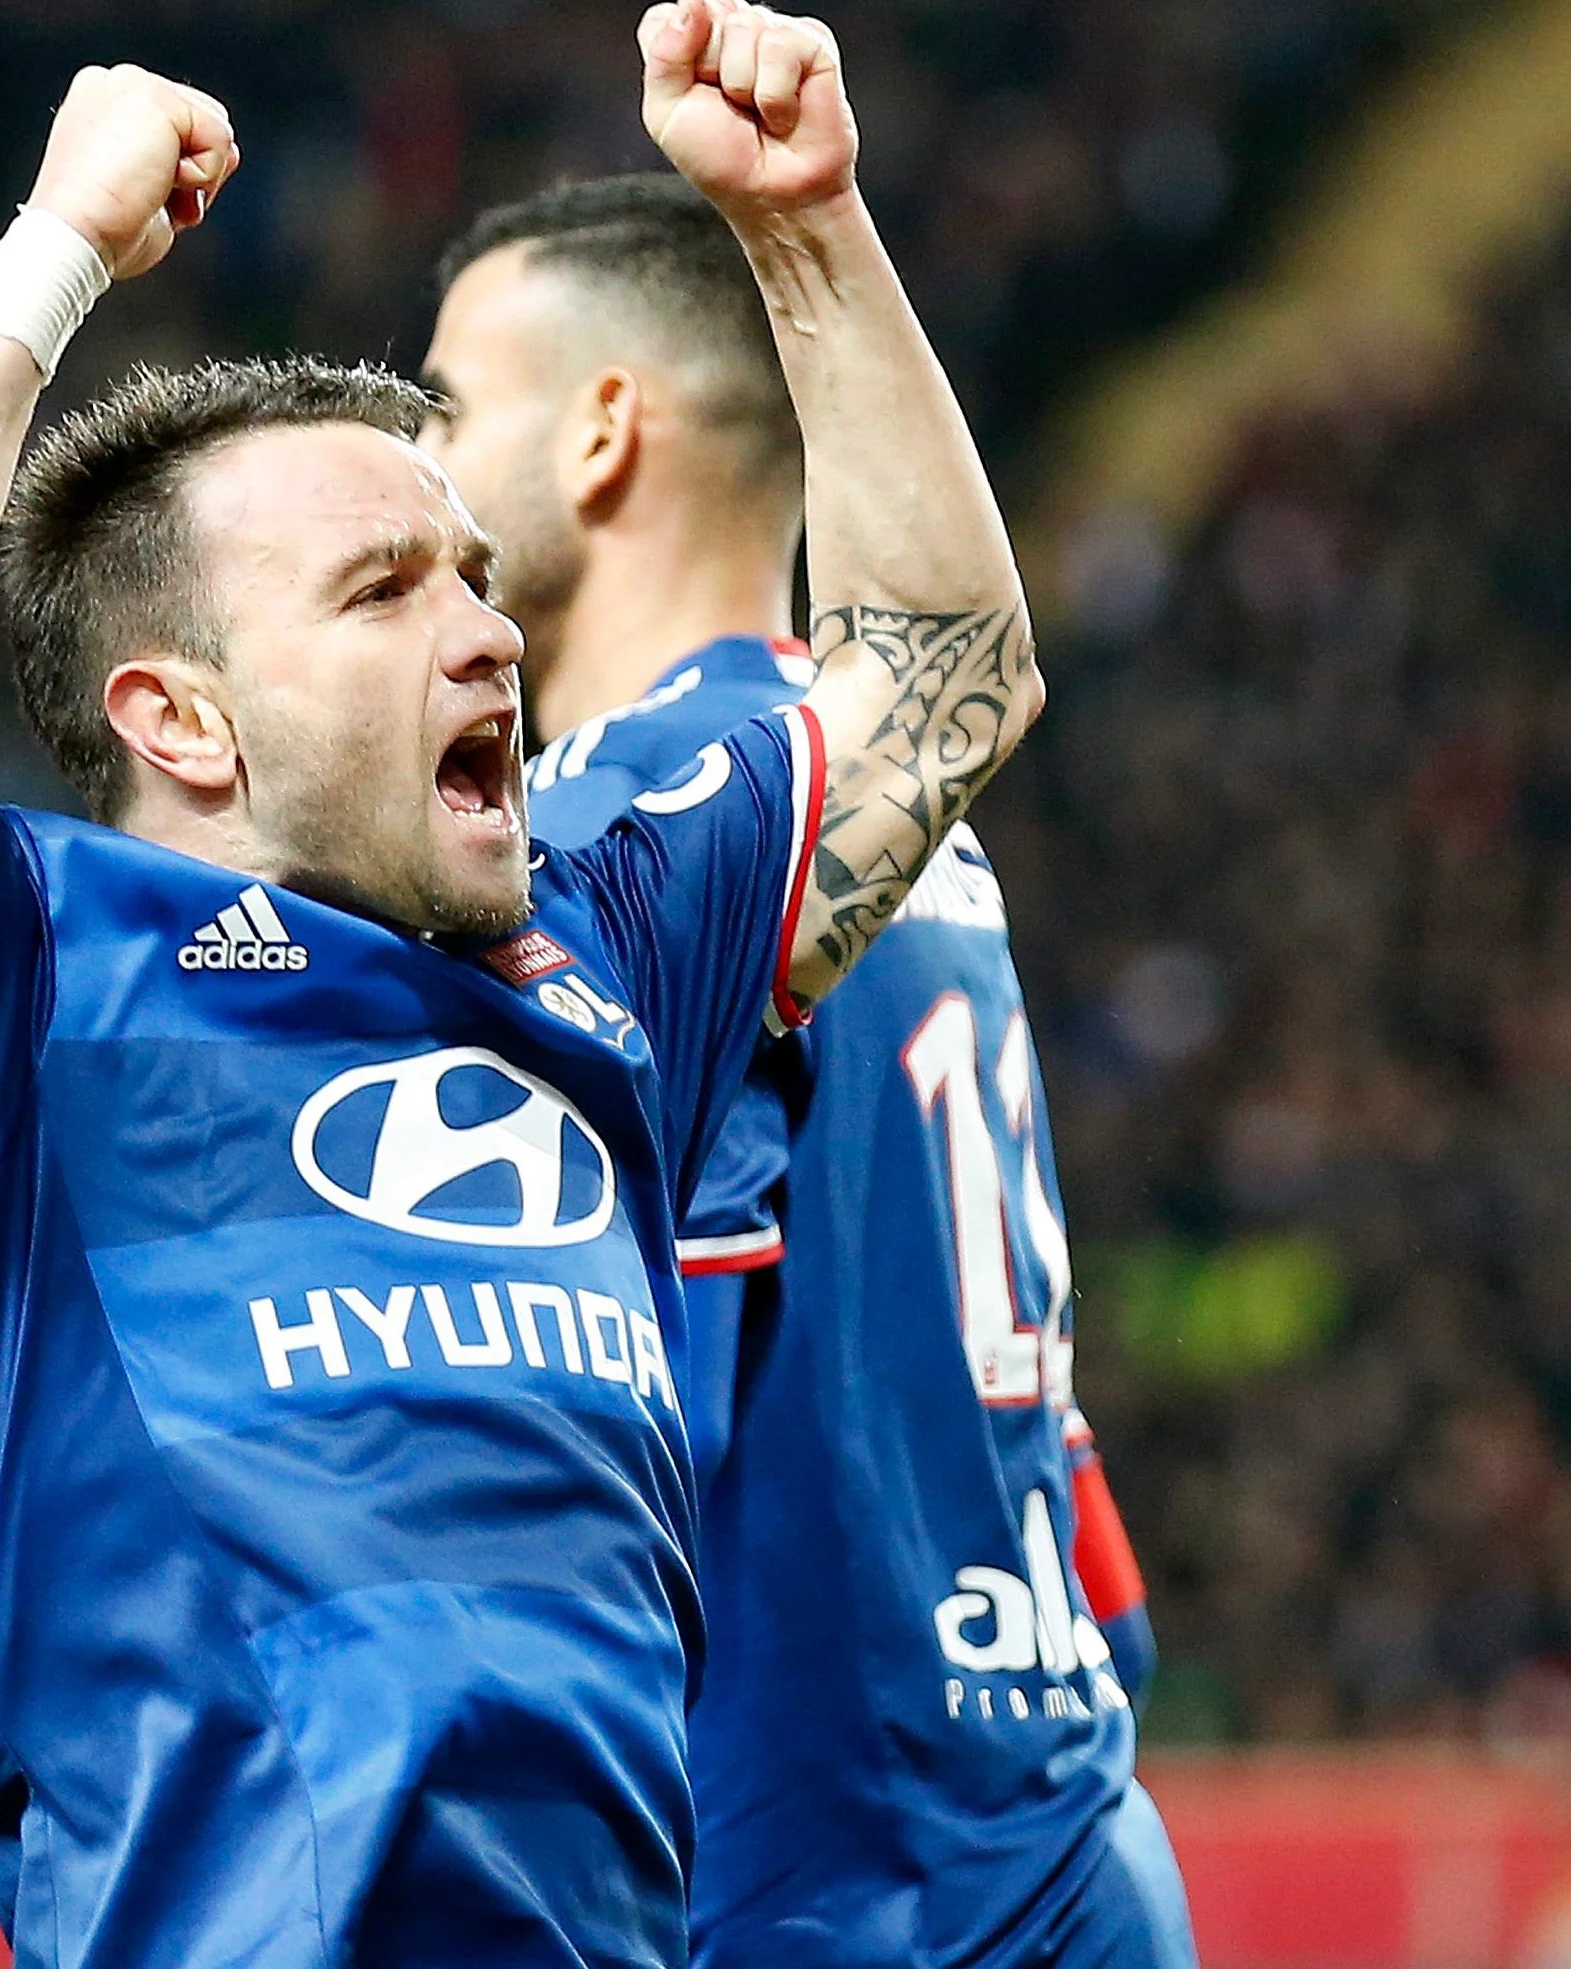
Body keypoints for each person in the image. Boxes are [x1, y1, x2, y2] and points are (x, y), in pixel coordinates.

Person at [0, 3, 1042, 1960]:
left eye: (475, 573)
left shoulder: (613, 950)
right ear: (179, 717)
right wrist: (58, 247)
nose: (491, 631)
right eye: (384, 591)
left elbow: (947, 670)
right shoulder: (24, 995)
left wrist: (806, 227)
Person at [424, 174, 1193, 1968]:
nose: (419, 460)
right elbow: (1083, 1539)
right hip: (1062, 1835)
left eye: (448, 402)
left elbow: (622, 1438)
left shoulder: (645, 831)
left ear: (604, 428)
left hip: (822, 1886)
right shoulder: (907, 841)